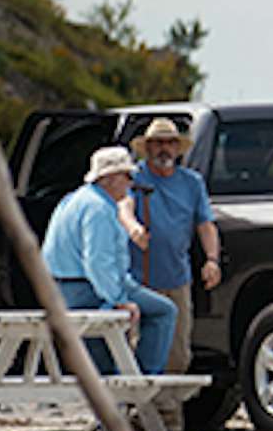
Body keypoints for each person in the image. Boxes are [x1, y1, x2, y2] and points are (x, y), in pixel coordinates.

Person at [122, 117, 221, 431]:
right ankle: (134, 419)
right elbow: (121, 208)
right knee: (135, 351)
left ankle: (168, 420)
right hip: (138, 281)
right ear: (147, 147)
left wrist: (212, 260)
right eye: (157, 143)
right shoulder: (135, 179)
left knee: (177, 353)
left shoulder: (192, 183)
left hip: (177, 280)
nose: (163, 149)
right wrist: (133, 228)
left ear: (178, 149)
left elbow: (205, 224)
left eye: (169, 143)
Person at [42, 145, 174, 376]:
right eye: (127, 175)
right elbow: (98, 263)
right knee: (164, 311)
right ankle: (144, 379)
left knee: (103, 363)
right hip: (87, 290)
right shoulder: (99, 209)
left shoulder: (73, 199)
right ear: (111, 178)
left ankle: (123, 387)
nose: (131, 182)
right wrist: (119, 300)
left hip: (62, 291)